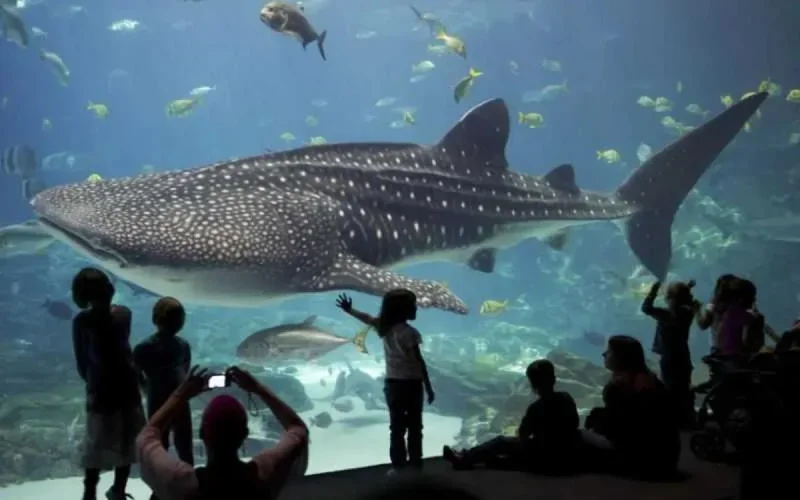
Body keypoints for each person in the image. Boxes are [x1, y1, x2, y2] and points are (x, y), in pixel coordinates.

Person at [137, 365, 309, 499]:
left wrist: (180, 395)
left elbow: (146, 437)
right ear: (245, 435)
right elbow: (298, 429)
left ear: (202, 433)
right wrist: (258, 388)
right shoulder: (265, 472)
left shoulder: (179, 482)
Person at [336, 290, 435, 473]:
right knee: (415, 426)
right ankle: (415, 464)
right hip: (412, 384)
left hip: (393, 384)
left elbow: (366, 318)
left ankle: (398, 466)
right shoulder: (410, 333)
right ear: (403, 310)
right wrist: (428, 387)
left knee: (396, 428)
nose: (416, 308)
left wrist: (349, 310)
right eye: (413, 305)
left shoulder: (384, 327)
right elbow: (419, 361)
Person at [71, 267, 145, 500]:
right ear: (110, 290)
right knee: (127, 442)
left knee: (96, 445)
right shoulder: (124, 314)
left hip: (100, 391)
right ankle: (119, 491)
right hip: (128, 389)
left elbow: (81, 362)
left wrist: (93, 380)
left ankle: (89, 492)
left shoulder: (82, 321)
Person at [442, 359, 580, 472]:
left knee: (501, 442)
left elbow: (523, 435)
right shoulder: (566, 398)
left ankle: (464, 459)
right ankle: (474, 457)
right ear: (554, 379)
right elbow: (575, 424)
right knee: (502, 455)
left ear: (532, 384)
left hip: (542, 459)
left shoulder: (536, 408)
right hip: (567, 458)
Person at [582, 335, 680, 478]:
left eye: (608, 352)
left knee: (580, 436)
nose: (603, 355)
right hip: (667, 458)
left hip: (641, 461)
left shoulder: (620, 387)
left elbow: (621, 428)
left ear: (621, 357)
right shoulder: (651, 380)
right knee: (596, 415)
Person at [133, 297, 194, 500]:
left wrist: (146, 388)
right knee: (182, 445)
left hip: (158, 400)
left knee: (159, 447)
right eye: (178, 318)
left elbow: (137, 376)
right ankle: (189, 487)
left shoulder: (143, 348)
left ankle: (160, 491)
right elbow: (184, 372)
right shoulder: (183, 345)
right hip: (178, 401)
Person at [641, 280, 699, 428]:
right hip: (683, 356)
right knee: (683, 387)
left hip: (669, 357)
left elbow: (646, 308)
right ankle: (687, 418)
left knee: (670, 387)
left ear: (669, 299)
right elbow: (684, 300)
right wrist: (687, 288)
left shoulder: (666, 314)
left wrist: (654, 289)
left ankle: (674, 420)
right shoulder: (687, 313)